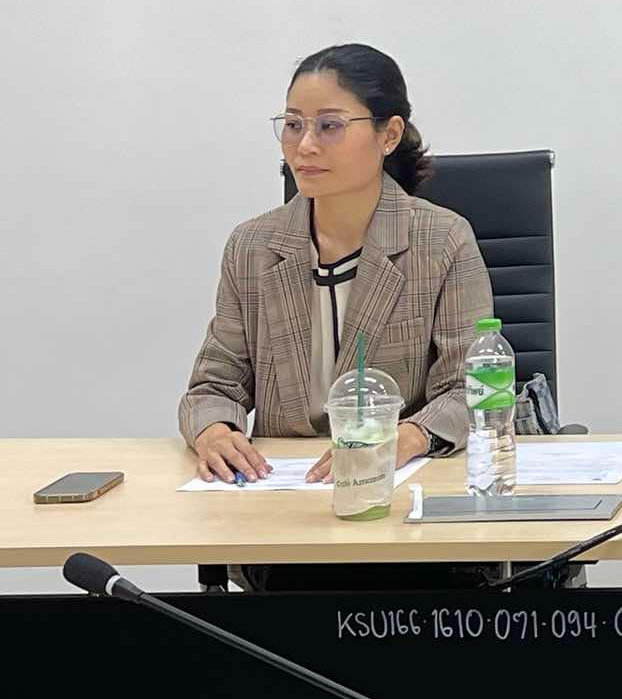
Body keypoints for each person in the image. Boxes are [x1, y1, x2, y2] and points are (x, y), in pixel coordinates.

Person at [179, 44, 491, 489]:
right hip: (279, 492)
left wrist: (407, 437)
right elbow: (213, 385)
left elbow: (470, 388)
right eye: (293, 125)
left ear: (389, 135)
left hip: (397, 487)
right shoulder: (252, 247)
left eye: (330, 126)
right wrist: (214, 432)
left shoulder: (441, 241)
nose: (304, 146)